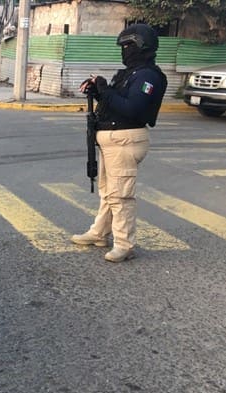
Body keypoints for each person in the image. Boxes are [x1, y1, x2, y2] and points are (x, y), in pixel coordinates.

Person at [71, 24, 167, 263]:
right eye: (123, 47)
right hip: (112, 141)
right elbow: (114, 99)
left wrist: (105, 90)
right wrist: (98, 88)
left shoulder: (148, 76)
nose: (124, 51)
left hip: (125, 140)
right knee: (108, 193)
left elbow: (132, 108)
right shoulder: (130, 74)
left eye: (128, 46)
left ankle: (124, 244)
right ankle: (99, 233)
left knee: (121, 196)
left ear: (142, 46)